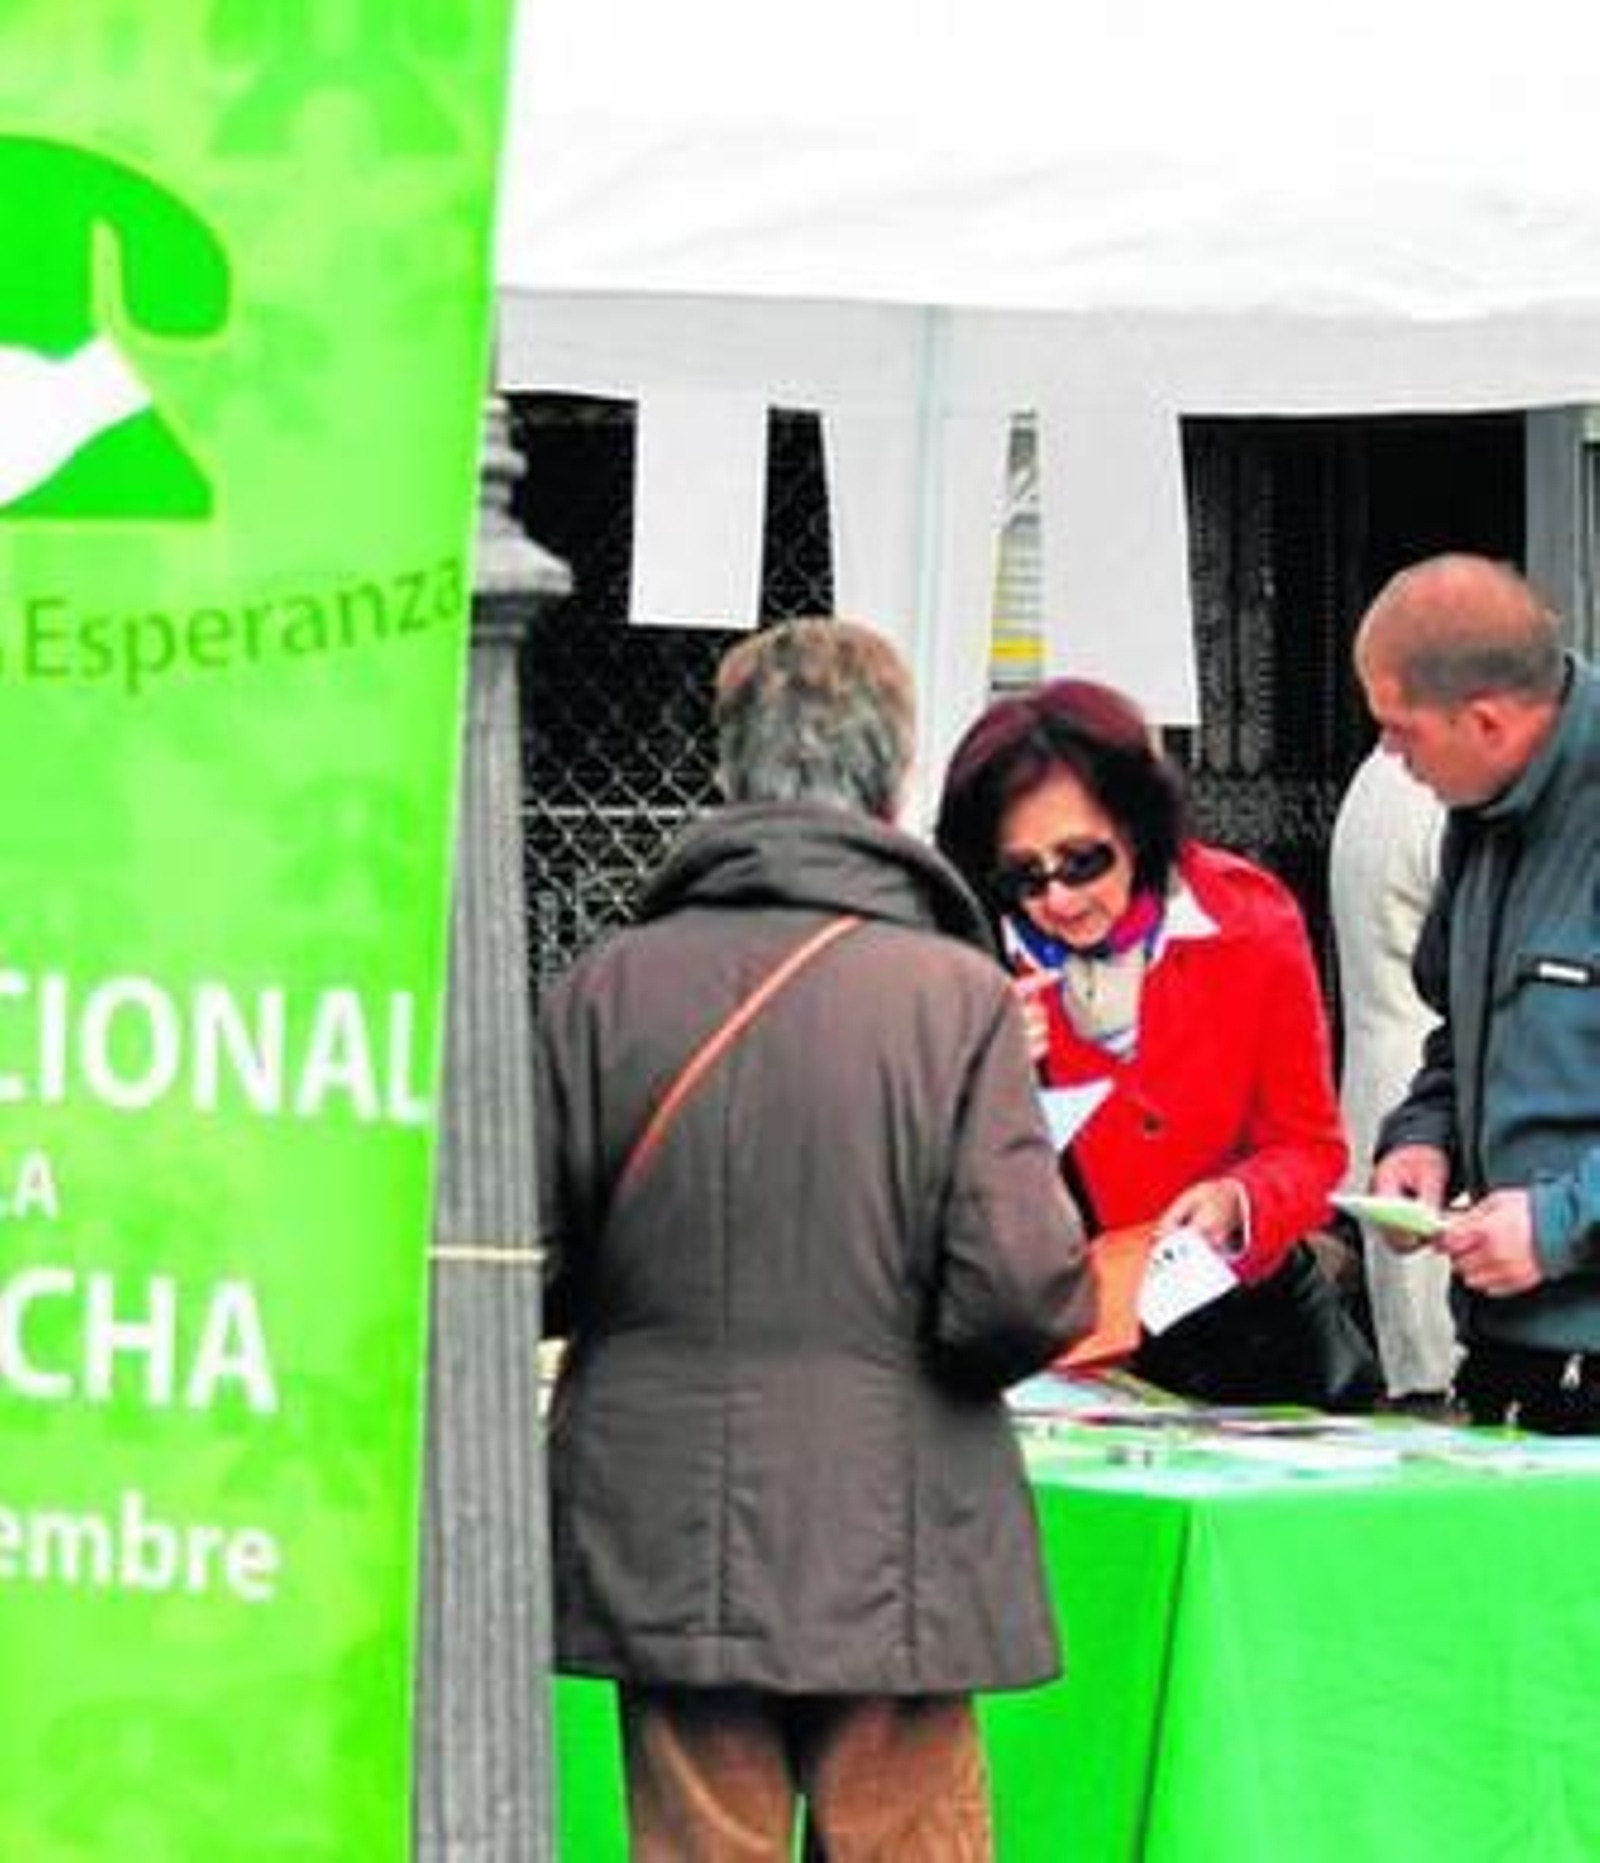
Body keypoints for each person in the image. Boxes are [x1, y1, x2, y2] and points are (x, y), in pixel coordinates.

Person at [536, 618, 1093, 1859]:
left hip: (664, 1527)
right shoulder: (953, 997)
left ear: (727, 770)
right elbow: (1020, 1288)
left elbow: (527, 1264)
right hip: (899, 1527)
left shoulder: (603, 989)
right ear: (894, 780)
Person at [936, 677, 1369, 1408]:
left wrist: (1239, 1202)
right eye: (1025, 876)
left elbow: (1310, 1148)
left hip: (1238, 1342)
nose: (1059, 899)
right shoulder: (958, 948)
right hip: (1040, 1348)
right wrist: (975, 1069)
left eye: (1083, 860)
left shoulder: (1248, 920)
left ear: (1137, 828)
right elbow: (901, 1176)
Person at [1356, 553, 1600, 1433]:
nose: (1390, 756)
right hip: (1509, 1351)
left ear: (1487, 719)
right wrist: (1424, 1138)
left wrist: (1558, 1225)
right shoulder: (1481, 812)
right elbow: (1461, 1035)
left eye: (1403, 730)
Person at [1329, 743, 1458, 1403]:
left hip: (1388, 1094)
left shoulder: (1374, 779)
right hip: (1437, 1112)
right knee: (1441, 1374)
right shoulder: (1446, 792)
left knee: (1416, 1369)